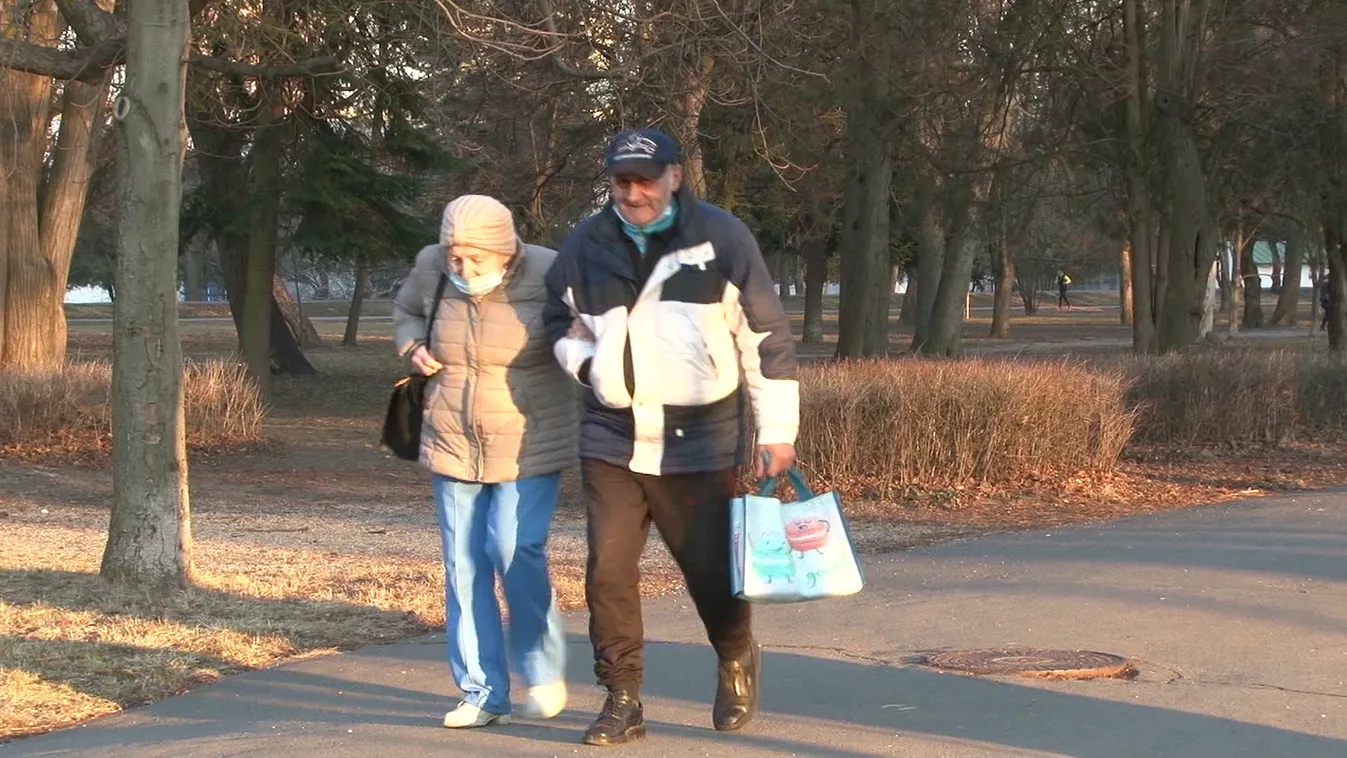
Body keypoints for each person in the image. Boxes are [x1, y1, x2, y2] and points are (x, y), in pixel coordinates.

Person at [543, 127, 800, 746]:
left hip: (700, 439)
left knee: (708, 571)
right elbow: (559, 319)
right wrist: (590, 365)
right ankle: (621, 696)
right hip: (612, 436)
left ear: (674, 177)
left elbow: (765, 338)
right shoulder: (584, 244)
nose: (634, 193)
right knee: (608, 570)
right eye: (622, 181)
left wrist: (776, 430)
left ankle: (735, 653)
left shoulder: (721, 238)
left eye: (646, 180)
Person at [393, 195, 577, 729]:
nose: (464, 269)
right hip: (453, 439)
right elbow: (406, 311)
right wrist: (412, 346)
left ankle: (541, 668)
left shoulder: (548, 270)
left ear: (505, 250)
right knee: (463, 564)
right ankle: (482, 691)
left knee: (514, 548)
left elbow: (586, 333)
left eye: (476, 259)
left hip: (528, 441)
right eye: (455, 257)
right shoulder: (431, 267)